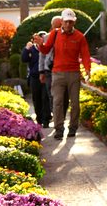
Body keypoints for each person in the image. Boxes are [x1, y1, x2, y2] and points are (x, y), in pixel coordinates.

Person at [38, 9, 91, 140]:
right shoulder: (54, 34)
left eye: (71, 22)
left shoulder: (80, 37)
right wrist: (40, 45)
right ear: (61, 21)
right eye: (66, 21)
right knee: (57, 102)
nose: (68, 24)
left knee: (75, 103)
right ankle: (59, 129)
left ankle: (73, 128)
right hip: (57, 73)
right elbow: (45, 50)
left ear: (74, 22)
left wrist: (88, 70)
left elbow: (85, 54)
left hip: (74, 73)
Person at [21, 31, 50, 126]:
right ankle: (39, 119)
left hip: (46, 76)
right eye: (36, 39)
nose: (38, 41)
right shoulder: (31, 49)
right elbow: (24, 59)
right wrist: (26, 48)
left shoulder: (47, 49)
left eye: (41, 39)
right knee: (36, 99)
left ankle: (46, 120)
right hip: (34, 77)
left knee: (45, 98)